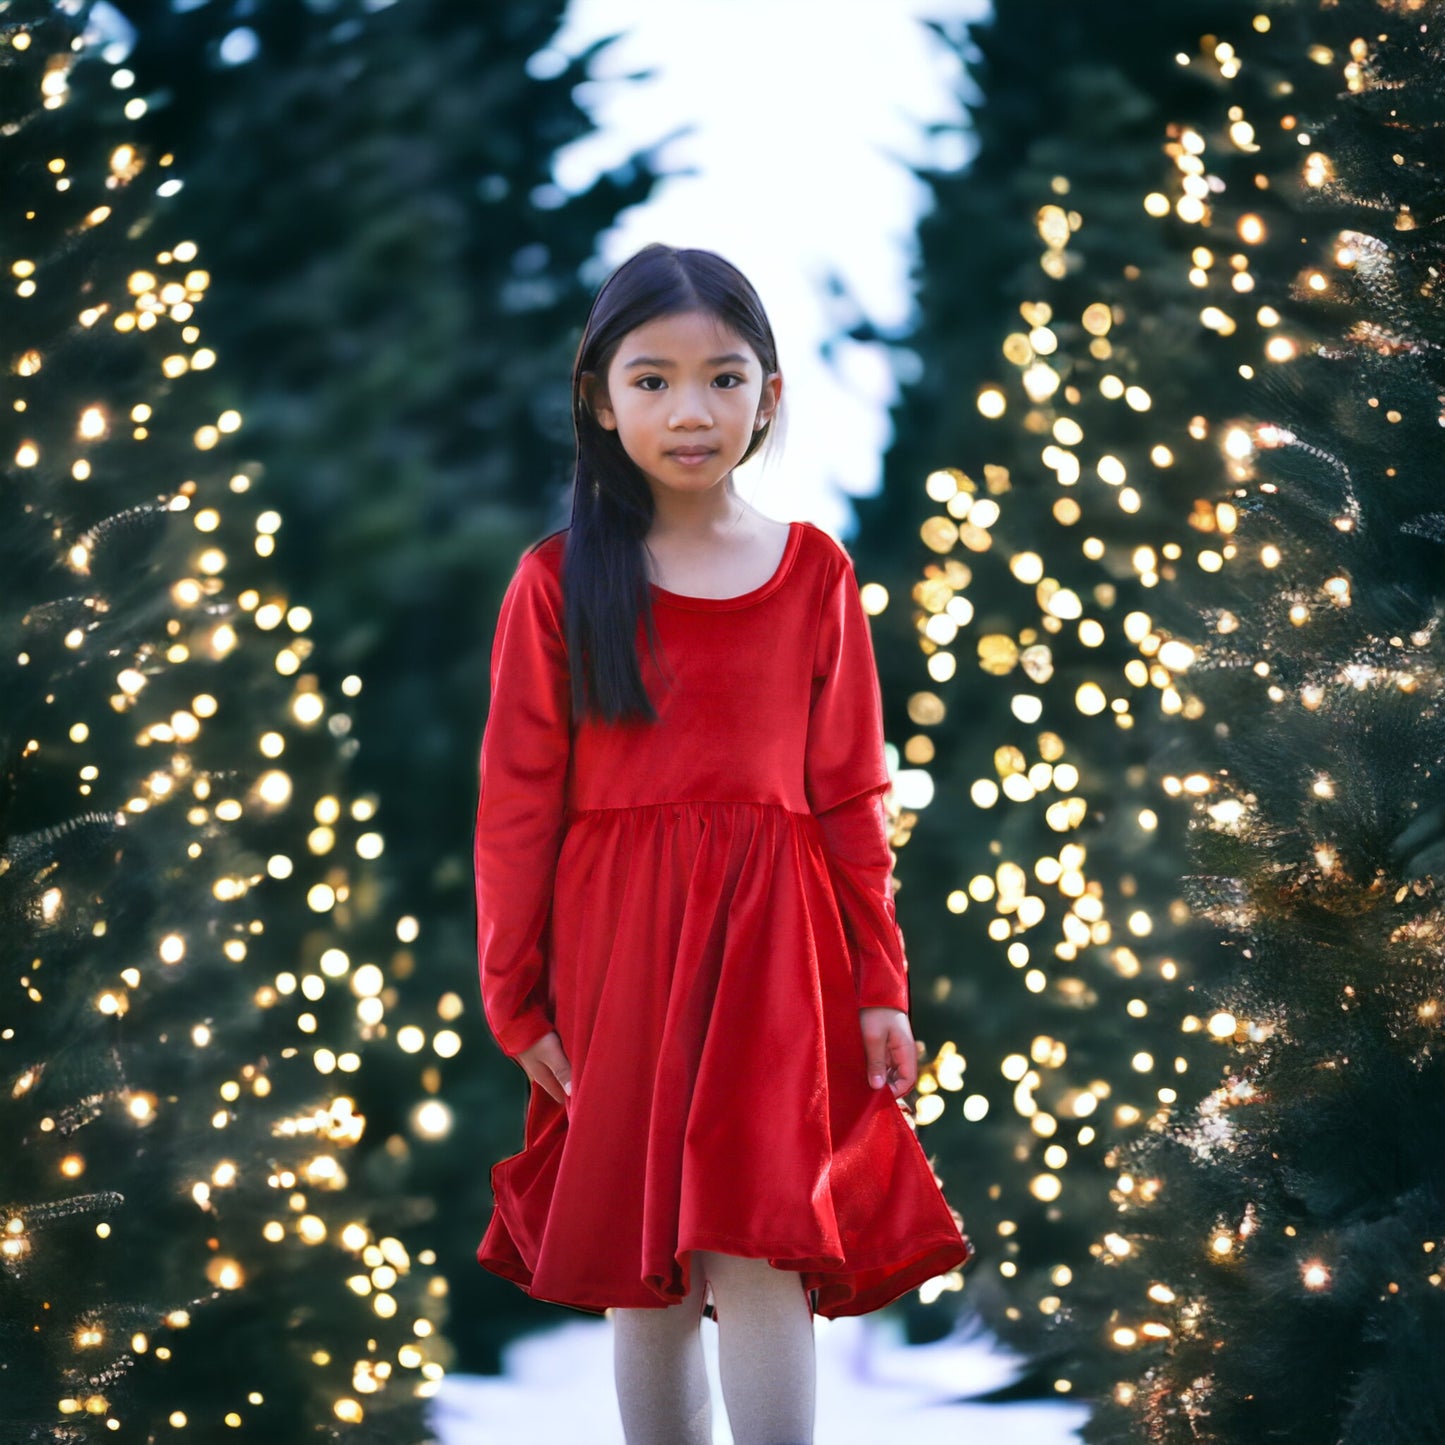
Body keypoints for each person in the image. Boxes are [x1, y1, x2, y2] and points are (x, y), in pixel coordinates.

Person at [473, 243, 971, 1445]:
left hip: (775, 954)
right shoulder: (555, 583)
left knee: (761, 1238)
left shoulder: (813, 573)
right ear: (598, 397)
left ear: (769, 392)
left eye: (721, 376)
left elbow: (851, 797)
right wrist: (515, 996)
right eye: (650, 380)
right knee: (642, 1252)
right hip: (617, 952)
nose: (689, 410)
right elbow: (516, 802)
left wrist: (878, 986)